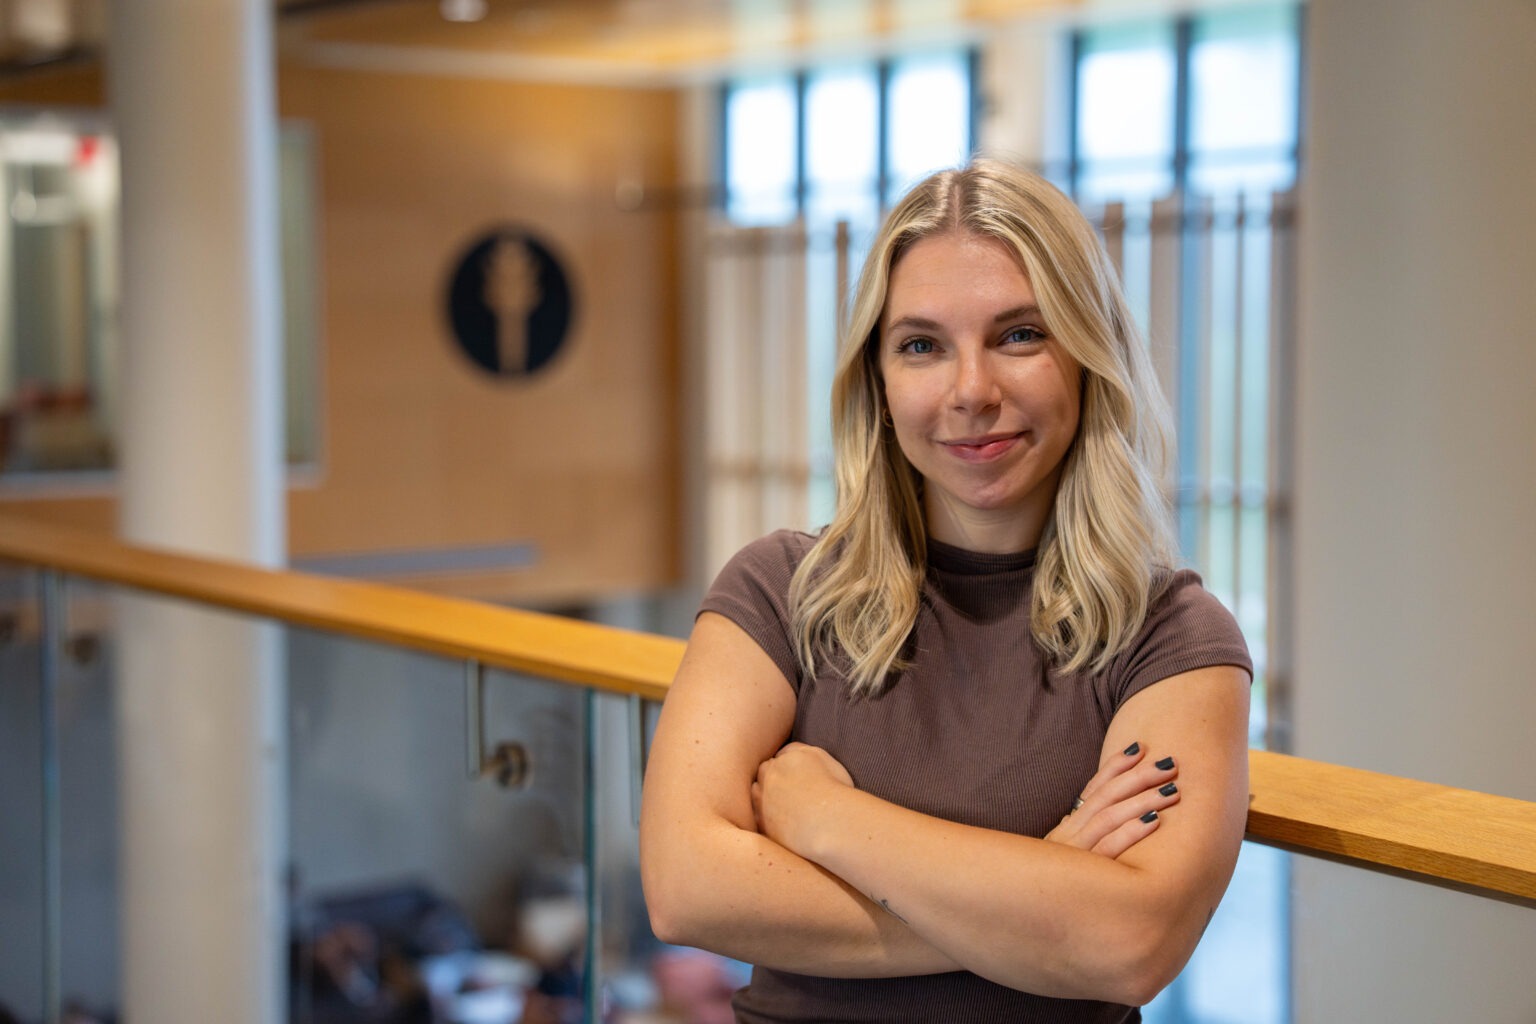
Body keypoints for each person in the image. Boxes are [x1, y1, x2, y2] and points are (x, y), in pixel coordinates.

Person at [639, 158, 1252, 1024]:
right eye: (922, 345)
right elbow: (686, 889)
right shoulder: (780, 591)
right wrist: (1041, 891)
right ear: (880, 384)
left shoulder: (1172, 638)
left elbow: (1128, 946)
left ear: (1087, 356)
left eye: (1019, 335)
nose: (972, 392)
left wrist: (823, 820)